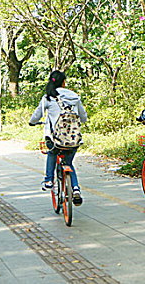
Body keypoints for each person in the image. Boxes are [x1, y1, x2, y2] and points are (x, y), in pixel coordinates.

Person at [29, 70, 87, 206]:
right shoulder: (75, 97)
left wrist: (32, 122)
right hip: (73, 139)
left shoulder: (48, 98)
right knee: (68, 163)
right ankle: (76, 189)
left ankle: (49, 180)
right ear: (64, 82)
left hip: (54, 138)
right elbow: (83, 117)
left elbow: (37, 115)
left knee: (52, 152)